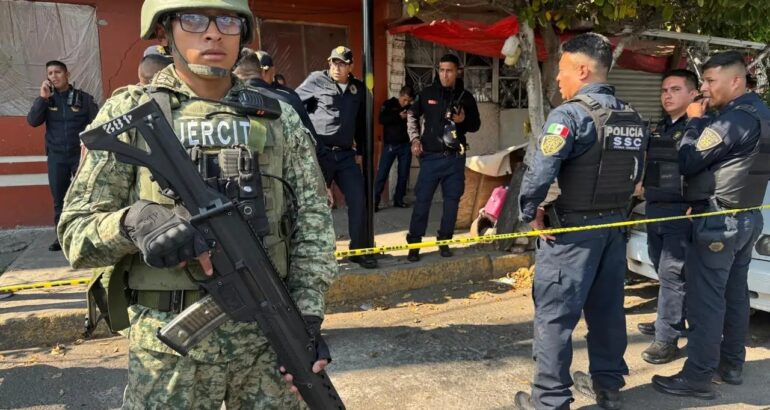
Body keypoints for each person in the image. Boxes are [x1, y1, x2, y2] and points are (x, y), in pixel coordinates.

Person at [58, 1, 337, 408]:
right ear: (164, 31)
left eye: (227, 20)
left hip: (267, 343)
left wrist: (307, 318)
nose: (213, 33)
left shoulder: (278, 118)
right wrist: (134, 221)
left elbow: (314, 221)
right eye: (193, 20)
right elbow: (75, 232)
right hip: (167, 352)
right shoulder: (131, 111)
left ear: (243, 33)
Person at [513, 33, 647, 410]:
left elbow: (539, 172)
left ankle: (550, 400)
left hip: (570, 234)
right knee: (607, 312)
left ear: (583, 70)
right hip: (613, 231)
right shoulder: (631, 116)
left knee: (555, 318)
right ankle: (609, 388)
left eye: (562, 70)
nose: (558, 79)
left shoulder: (569, 115)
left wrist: (530, 211)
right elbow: (639, 175)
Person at [652, 51, 770, 399]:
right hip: (748, 217)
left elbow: (688, 160)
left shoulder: (733, 120)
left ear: (736, 81)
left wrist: (693, 123)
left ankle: (697, 376)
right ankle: (731, 364)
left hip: (720, 222)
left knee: (707, 300)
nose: (704, 88)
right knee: (735, 295)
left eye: (709, 81)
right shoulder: (763, 114)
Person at [637, 69, 700, 365]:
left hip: (680, 211)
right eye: (664, 90)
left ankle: (667, 338)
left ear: (692, 94)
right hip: (655, 208)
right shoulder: (662, 126)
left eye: (675, 89)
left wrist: (700, 204)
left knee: (673, 274)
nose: (667, 95)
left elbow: (706, 169)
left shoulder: (699, 127)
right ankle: (670, 316)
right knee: (662, 272)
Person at [296, 46, 377, 269]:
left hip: (345, 155)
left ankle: (359, 251)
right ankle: (324, 253)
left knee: (358, 200)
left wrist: (361, 151)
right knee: (319, 205)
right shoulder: (316, 80)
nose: (336, 68)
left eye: (341, 64)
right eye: (333, 63)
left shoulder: (357, 90)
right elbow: (294, 103)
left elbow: (362, 123)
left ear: (350, 66)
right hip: (321, 153)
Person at [234, 48, 336, 204]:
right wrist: (325, 183)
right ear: (261, 71)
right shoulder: (287, 100)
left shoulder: (225, 104)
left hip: (238, 196)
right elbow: (315, 147)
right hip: (289, 194)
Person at [405, 54, 480, 262]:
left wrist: (463, 120)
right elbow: (412, 114)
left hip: (455, 158)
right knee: (422, 202)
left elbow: (475, 125)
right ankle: (415, 244)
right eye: (442, 70)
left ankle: (445, 241)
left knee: (452, 202)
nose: (445, 75)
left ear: (457, 72)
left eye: (449, 70)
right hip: (430, 158)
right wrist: (414, 139)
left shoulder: (466, 96)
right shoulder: (427, 93)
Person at [27, 60, 98, 251]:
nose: (54, 76)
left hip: (81, 156)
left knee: (87, 197)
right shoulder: (46, 100)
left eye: (58, 72)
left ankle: (88, 237)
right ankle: (62, 238)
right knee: (60, 199)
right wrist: (42, 98)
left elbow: (98, 124)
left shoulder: (83, 99)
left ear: (68, 74)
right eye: (50, 73)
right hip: (57, 158)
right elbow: (33, 121)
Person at [374, 85, 414, 211]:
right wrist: (398, 116)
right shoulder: (390, 104)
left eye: (409, 100)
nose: (406, 102)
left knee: (403, 175)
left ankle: (399, 199)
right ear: (400, 95)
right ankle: (374, 202)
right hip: (390, 145)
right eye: (404, 99)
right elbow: (382, 119)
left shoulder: (411, 108)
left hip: (405, 145)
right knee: (382, 173)